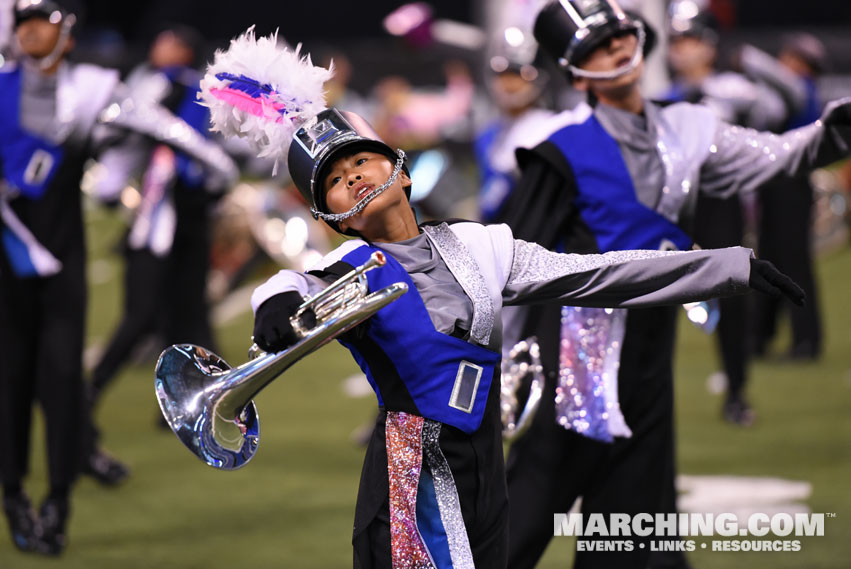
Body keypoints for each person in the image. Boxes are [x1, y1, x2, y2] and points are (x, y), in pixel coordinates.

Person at [197, 30, 804, 569]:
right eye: (334, 179)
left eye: (361, 159)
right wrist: (272, 306)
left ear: (400, 171)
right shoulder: (351, 267)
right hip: (412, 489)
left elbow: (601, 274)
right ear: (333, 216)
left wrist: (726, 266)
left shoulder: (480, 245)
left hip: (486, 475)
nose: (352, 175)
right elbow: (292, 284)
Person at [497, 2, 851, 568]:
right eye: (596, 46)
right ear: (575, 72)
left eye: (619, 36)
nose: (616, 49)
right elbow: (514, 267)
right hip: (579, 354)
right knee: (531, 505)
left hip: (650, 349)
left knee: (632, 524)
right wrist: (498, 362)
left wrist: (831, 134)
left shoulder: (688, 127)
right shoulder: (558, 150)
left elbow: (775, 155)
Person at [0, 0, 236, 555]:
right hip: (6, 268)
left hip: (64, 269)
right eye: (24, 21)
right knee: (9, 384)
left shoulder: (93, 87)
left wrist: (217, 166)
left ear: (66, 29)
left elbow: (165, 130)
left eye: (44, 21)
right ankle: (13, 496)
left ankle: (59, 501)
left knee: (60, 382)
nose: (33, 31)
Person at [83, 24, 237, 469]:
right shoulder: (148, 86)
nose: (158, 46)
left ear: (184, 51)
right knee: (144, 316)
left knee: (189, 320)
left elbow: (205, 150)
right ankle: (87, 396)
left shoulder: (194, 91)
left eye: (168, 42)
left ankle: (190, 410)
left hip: (185, 219)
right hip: (159, 220)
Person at [664, 0, 792, 426]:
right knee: (646, 296)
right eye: (676, 40)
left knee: (731, 297)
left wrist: (752, 65)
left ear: (710, 44)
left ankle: (736, 391)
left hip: (718, 205)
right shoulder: (659, 98)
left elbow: (789, 103)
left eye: (691, 39)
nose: (682, 49)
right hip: (666, 209)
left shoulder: (735, 90)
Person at [750, 32, 829, 361]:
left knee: (794, 263)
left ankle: (806, 341)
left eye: (793, 59)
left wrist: (747, 56)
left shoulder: (802, 93)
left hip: (793, 185)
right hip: (774, 183)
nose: (786, 63)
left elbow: (773, 79)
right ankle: (760, 338)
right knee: (771, 257)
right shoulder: (782, 96)